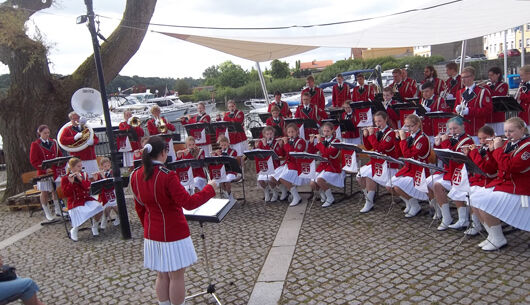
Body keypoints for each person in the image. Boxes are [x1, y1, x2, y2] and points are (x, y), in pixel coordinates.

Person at [130, 136, 216, 305]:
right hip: (173, 232)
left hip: (152, 231)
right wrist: (210, 188)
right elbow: (189, 203)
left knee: (162, 274)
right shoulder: (167, 175)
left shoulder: (135, 175)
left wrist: (148, 228)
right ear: (163, 153)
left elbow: (139, 207)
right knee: (176, 276)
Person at [469, 117, 530, 251]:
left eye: (511, 131)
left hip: (519, 187)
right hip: (504, 183)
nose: (507, 135)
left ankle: (498, 238)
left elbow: (510, 166)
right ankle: (492, 235)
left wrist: (497, 150)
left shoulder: (527, 147)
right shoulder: (509, 144)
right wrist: (491, 152)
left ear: (522, 130)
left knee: (483, 200)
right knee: (473, 197)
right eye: (505, 131)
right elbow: (493, 168)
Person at [429, 117, 474, 230]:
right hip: (451, 172)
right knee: (435, 184)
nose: (453, 131)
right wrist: (438, 145)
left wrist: (444, 142)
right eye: (450, 129)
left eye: (455, 128)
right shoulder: (451, 138)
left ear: (463, 126)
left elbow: (455, 158)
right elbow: (443, 157)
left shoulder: (467, 141)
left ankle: (463, 219)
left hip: (462, 174)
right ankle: (446, 217)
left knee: (453, 188)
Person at [357, 111, 400, 213]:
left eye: (380, 121)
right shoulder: (377, 132)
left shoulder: (391, 133)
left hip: (389, 164)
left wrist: (371, 135)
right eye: (375, 122)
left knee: (368, 175)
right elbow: (369, 147)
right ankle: (369, 198)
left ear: (386, 120)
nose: (377, 124)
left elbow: (379, 148)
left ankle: (369, 201)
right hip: (378, 162)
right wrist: (366, 135)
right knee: (359, 176)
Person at [458, 125, 497, 236]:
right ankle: (477, 224)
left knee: (472, 194)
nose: (482, 141)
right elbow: (473, 165)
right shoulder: (482, 149)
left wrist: (474, 152)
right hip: (479, 180)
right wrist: (468, 155)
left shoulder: (493, 149)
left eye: (485, 138)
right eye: (480, 139)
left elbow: (485, 168)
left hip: (488, 181)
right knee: (467, 192)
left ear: (493, 136)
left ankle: (486, 228)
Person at [391, 114, 431, 217]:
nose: (408, 129)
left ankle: (414, 205)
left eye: (411, 126)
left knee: (397, 186)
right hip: (409, 168)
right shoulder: (409, 136)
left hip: (419, 171)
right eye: (406, 126)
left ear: (417, 124)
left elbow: (408, 155)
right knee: (389, 185)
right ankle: (410, 203)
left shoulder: (422, 138)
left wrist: (403, 139)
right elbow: (398, 154)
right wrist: (397, 140)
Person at [61, 157, 104, 241]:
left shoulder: (84, 175)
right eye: (78, 166)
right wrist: (71, 182)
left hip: (86, 199)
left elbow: (88, 187)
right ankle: (74, 229)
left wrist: (81, 180)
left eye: (81, 166)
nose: (80, 168)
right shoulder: (65, 178)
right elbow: (66, 194)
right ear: (72, 168)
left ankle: (94, 226)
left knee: (99, 208)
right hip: (74, 202)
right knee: (82, 212)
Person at [29, 124, 64, 221]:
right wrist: (45, 169)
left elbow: (59, 156)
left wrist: (59, 165)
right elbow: (33, 160)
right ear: (39, 133)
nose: (47, 135)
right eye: (45, 133)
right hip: (43, 172)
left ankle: (58, 210)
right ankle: (47, 212)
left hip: (55, 171)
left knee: (55, 191)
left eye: (48, 133)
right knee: (44, 192)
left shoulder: (54, 142)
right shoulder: (35, 144)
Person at [307, 122, 343, 207]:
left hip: (332, 167)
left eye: (327, 131)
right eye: (324, 131)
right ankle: (323, 196)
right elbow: (311, 152)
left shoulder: (336, 141)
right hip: (323, 167)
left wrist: (319, 142)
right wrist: (311, 143)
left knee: (319, 180)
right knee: (312, 183)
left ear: (332, 131)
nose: (325, 133)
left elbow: (327, 153)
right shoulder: (323, 141)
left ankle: (330, 198)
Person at [272, 123, 309, 207]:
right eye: (289, 132)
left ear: (297, 132)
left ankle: (296, 196)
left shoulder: (301, 141)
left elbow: (293, 153)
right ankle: (286, 192)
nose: (291, 134)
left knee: (283, 178)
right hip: (288, 164)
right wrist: (280, 145)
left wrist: (285, 144)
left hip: (297, 165)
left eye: (293, 132)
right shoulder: (288, 141)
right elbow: (282, 154)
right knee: (273, 177)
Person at [454, 66, 493, 139]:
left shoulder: (482, 91)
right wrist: (457, 111)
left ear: (472, 77)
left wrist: (469, 111)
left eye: (466, 77)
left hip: (476, 130)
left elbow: (488, 110)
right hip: (462, 131)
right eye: (462, 78)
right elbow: (455, 111)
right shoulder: (459, 92)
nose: (463, 80)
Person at [59, 111, 100, 176]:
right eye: (74, 119)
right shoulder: (67, 129)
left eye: (78, 118)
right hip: (77, 159)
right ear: (71, 120)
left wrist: (93, 141)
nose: (76, 120)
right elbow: (62, 140)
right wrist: (74, 138)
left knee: (94, 177)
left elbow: (96, 139)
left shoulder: (87, 128)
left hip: (90, 157)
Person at [254, 126, 283, 202]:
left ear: (273, 134)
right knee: (260, 180)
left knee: (270, 179)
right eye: (267, 134)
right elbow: (259, 154)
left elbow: (278, 154)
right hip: (264, 166)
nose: (269, 136)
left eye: (271, 134)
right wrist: (256, 146)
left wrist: (267, 145)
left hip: (274, 166)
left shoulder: (276, 143)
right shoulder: (261, 143)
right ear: (264, 135)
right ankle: (266, 191)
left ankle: (274, 192)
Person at [210, 135, 239, 204]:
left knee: (227, 180)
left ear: (228, 144)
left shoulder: (233, 151)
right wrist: (216, 155)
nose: (223, 147)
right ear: (220, 145)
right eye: (222, 145)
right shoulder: (219, 152)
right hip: (222, 172)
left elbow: (235, 161)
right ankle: (227, 194)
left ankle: (229, 195)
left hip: (231, 172)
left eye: (225, 145)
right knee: (221, 181)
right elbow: (215, 163)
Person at [93, 157, 119, 229]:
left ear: (110, 165)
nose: (107, 168)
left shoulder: (112, 172)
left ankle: (118, 218)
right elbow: (97, 187)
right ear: (101, 167)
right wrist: (96, 179)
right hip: (104, 195)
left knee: (117, 207)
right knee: (107, 208)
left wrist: (104, 177)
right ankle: (104, 219)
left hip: (113, 193)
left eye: (108, 166)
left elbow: (110, 183)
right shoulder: (99, 174)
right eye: (104, 166)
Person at [483, 67, 510, 136]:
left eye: (492, 75)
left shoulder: (504, 85)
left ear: (498, 75)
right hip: (488, 117)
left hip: (498, 116)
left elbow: (497, 95)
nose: (490, 77)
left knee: (500, 136)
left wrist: (487, 88)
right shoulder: (487, 86)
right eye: (489, 75)